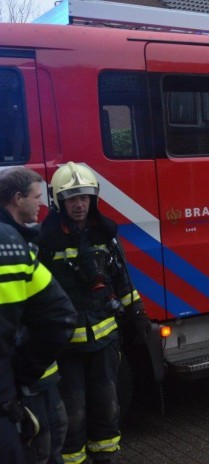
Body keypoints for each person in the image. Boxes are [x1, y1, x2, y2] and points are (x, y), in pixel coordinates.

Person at [36, 162, 150, 464]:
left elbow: (122, 280)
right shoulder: (45, 243)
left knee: (107, 406)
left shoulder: (106, 235)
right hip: (66, 347)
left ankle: (106, 458)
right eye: (73, 198)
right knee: (72, 411)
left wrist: (137, 312)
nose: (80, 204)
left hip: (104, 340)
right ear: (59, 201)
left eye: (85, 197)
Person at [0, 167, 75, 464]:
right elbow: (60, 316)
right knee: (38, 450)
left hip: (38, 379)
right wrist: (19, 374)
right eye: (36, 197)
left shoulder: (24, 239)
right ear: (17, 198)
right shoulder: (13, 245)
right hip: (20, 386)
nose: (42, 203)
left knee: (53, 440)